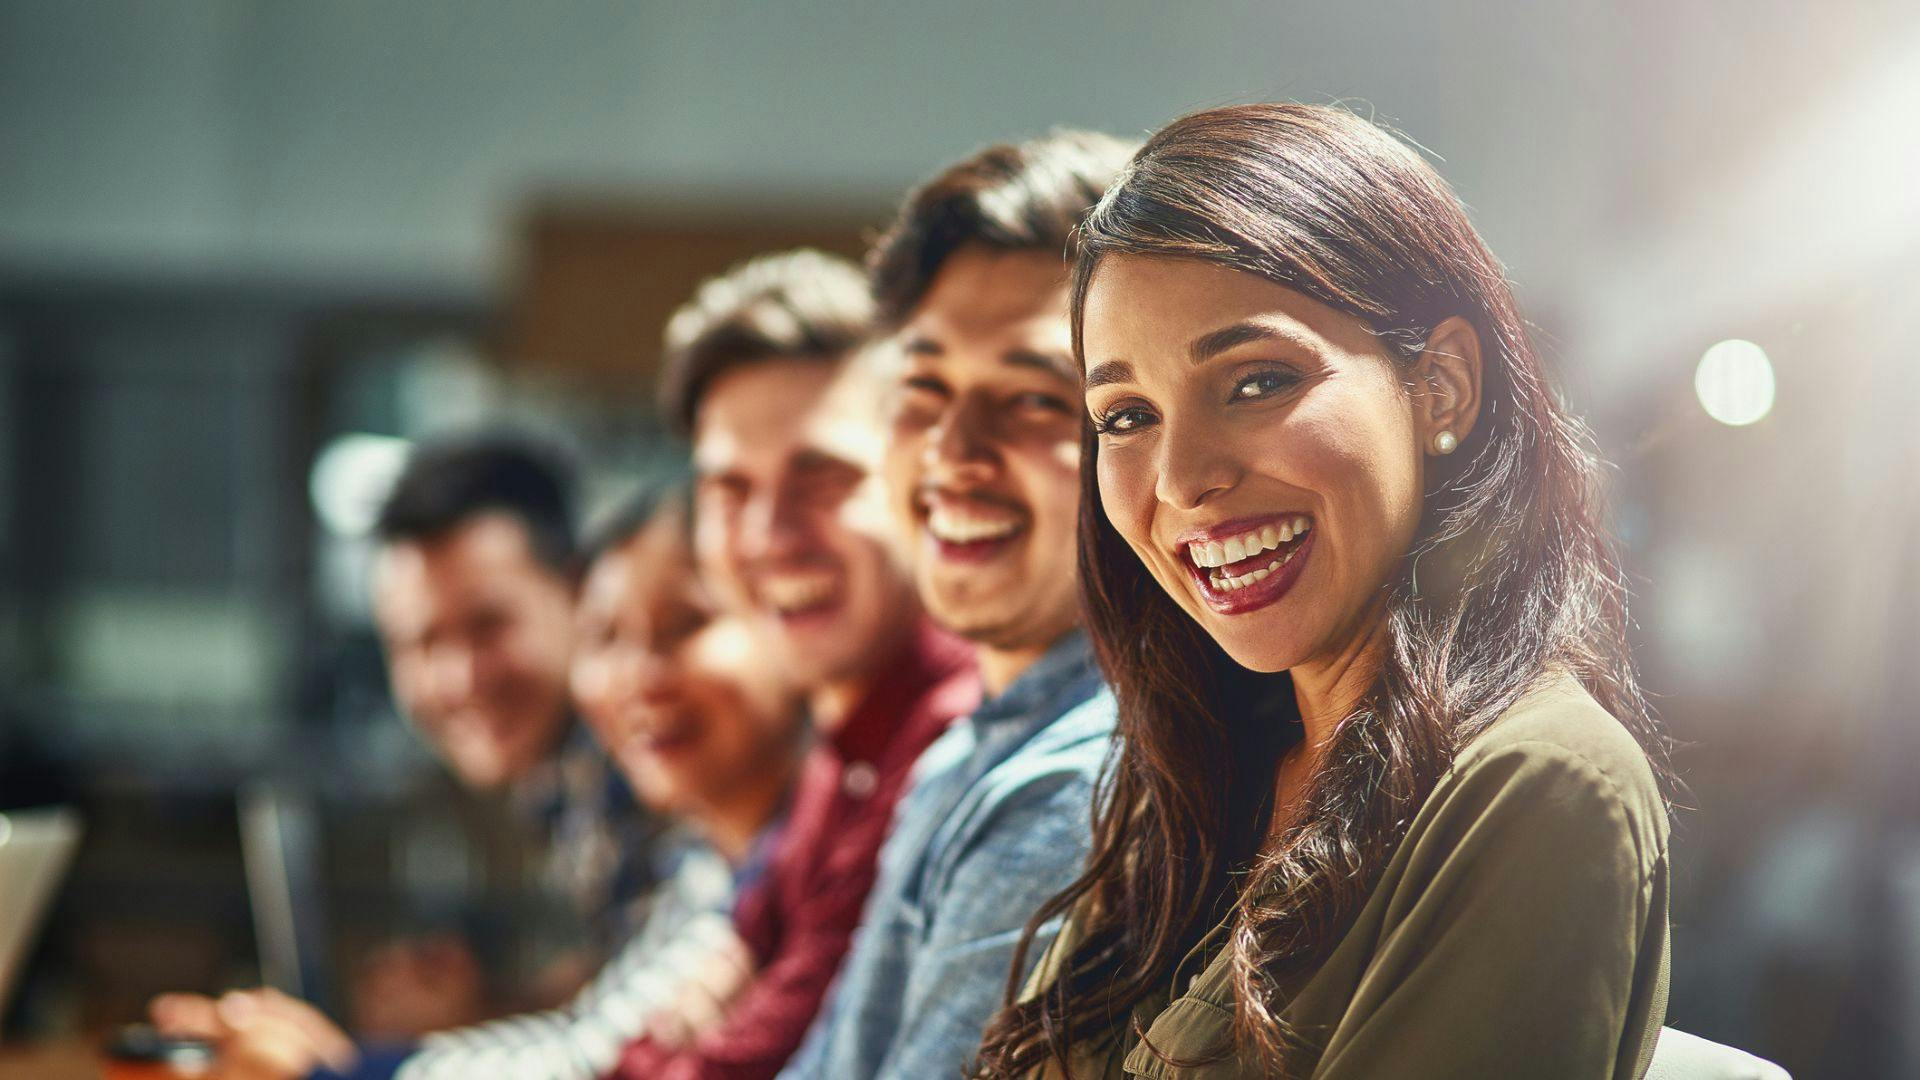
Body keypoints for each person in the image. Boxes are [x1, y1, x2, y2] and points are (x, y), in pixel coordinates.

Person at [971, 104, 1673, 1079]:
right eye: (1124, 414)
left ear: (1443, 389)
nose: (1180, 480)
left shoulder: (1539, 784)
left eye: (1256, 382)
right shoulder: (1200, 772)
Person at [151, 491, 808, 1080]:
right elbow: (618, 1024)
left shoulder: (681, 795)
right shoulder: (674, 834)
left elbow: (605, 1057)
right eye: (419, 644)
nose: (458, 679)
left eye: (488, 625)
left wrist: (344, 1073)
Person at [778, 131, 1134, 1080]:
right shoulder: (977, 747)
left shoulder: (1070, 788)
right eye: (924, 388)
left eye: (1031, 400)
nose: (951, 453)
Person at [610, 250, 980, 1080]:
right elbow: (669, 1032)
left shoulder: (948, 734)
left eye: (820, 477)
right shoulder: (836, 750)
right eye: (730, 489)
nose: (769, 536)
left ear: (921, 476)